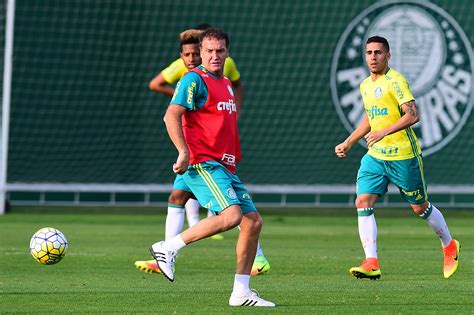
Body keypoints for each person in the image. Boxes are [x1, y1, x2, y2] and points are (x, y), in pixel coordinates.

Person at [150, 28, 275, 307]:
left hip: (225, 165)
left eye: (220, 50)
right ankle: (166, 248)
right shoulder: (194, 79)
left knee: (253, 222)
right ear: (202, 53)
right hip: (203, 162)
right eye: (209, 51)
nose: (214, 55)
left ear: (227, 52)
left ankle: (240, 293)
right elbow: (170, 115)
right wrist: (183, 151)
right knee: (231, 216)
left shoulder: (227, 82)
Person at [334, 36, 460, 280]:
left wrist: (383, 131)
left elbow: (413, 115)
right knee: (363, 201)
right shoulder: (365, 85)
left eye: (378, 52)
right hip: (376, 157)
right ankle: (371, 261)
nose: (373, 57)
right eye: (369, 52)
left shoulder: (396, 80)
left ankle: (448, 245)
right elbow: (371, 117)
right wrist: (349, 141)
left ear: (388, 56)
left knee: (420, 208)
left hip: (403, 156)